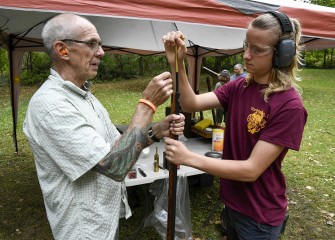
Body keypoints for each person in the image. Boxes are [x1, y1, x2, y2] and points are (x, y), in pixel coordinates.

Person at [23, 13, 185, 240]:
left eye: (99, 44)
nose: (101, 52)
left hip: (103, 222)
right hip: (83, 231)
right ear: (63, 50)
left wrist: (155, 131)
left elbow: (115, 148)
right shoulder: (51, 105)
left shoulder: (84, 96)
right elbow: (115, 166)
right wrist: (147, 105)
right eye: (92, 44)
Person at [163, 11, 307, 240]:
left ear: (282, 55)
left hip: (259, 217)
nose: (246, 55)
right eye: (246, 45)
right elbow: (190, 104)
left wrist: (189, 158)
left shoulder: (289, 105)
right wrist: (179, 63)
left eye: (257, 50)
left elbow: (251, 170)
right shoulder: (239, 86)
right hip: (232, 205)